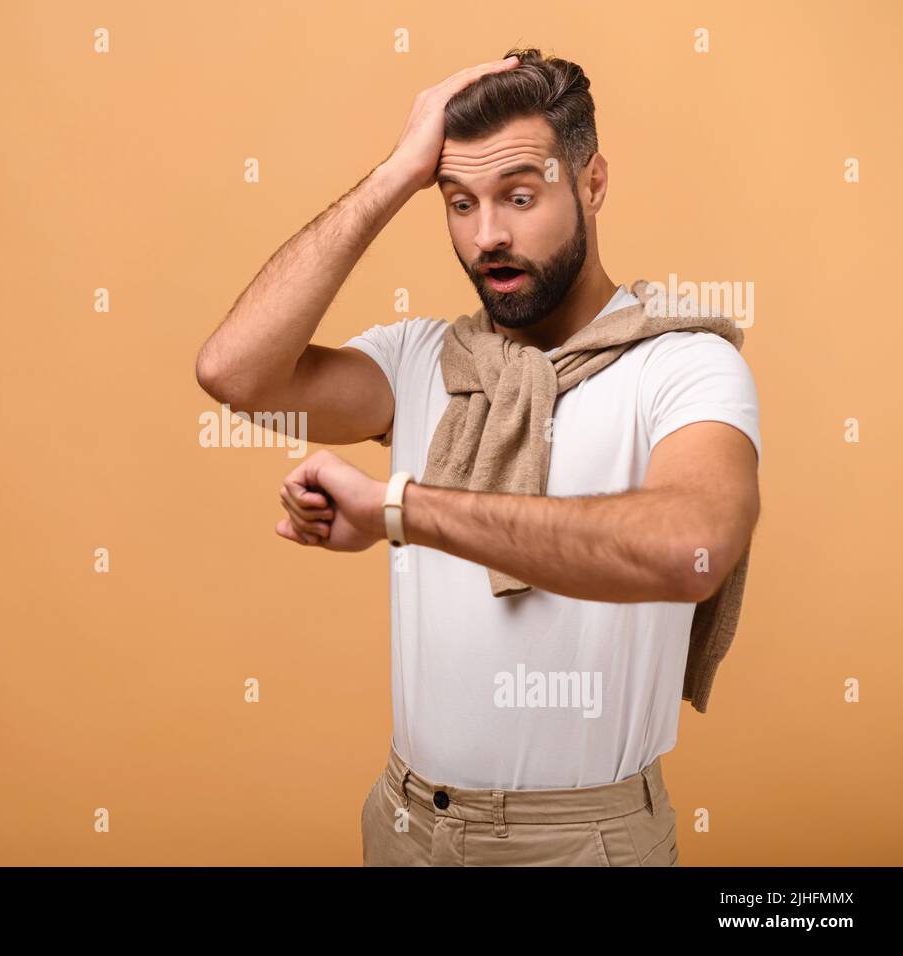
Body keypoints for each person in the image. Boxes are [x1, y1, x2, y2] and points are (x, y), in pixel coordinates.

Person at [195, 49, 760, 866]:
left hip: (580, 844)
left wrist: (400, 509)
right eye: (459, 203)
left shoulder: (682, 365)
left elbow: (689, 549)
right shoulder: (427, 361)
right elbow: (235, 375)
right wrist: (394, 175)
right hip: (404, 821)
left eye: (519, 196)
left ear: (592, 183)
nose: (486, 234)